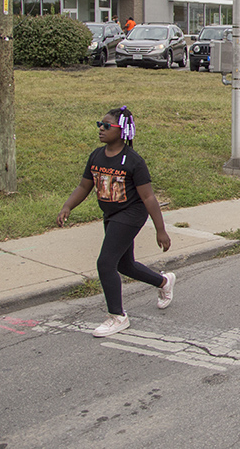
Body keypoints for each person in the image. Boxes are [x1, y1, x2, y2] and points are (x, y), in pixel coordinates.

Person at [57, 106, 175, 338]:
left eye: (107, 125)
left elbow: (149, 197)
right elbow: (84, 186)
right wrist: (67, 206)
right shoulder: (97, 155)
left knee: (105, 263)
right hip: (111, 214)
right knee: (124, 265)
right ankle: (163, 282)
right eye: (99, 124)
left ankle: (117, 317)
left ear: (122, 131)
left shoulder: (133, 161)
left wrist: (160, 230)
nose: (101, 128)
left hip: (131, 214)